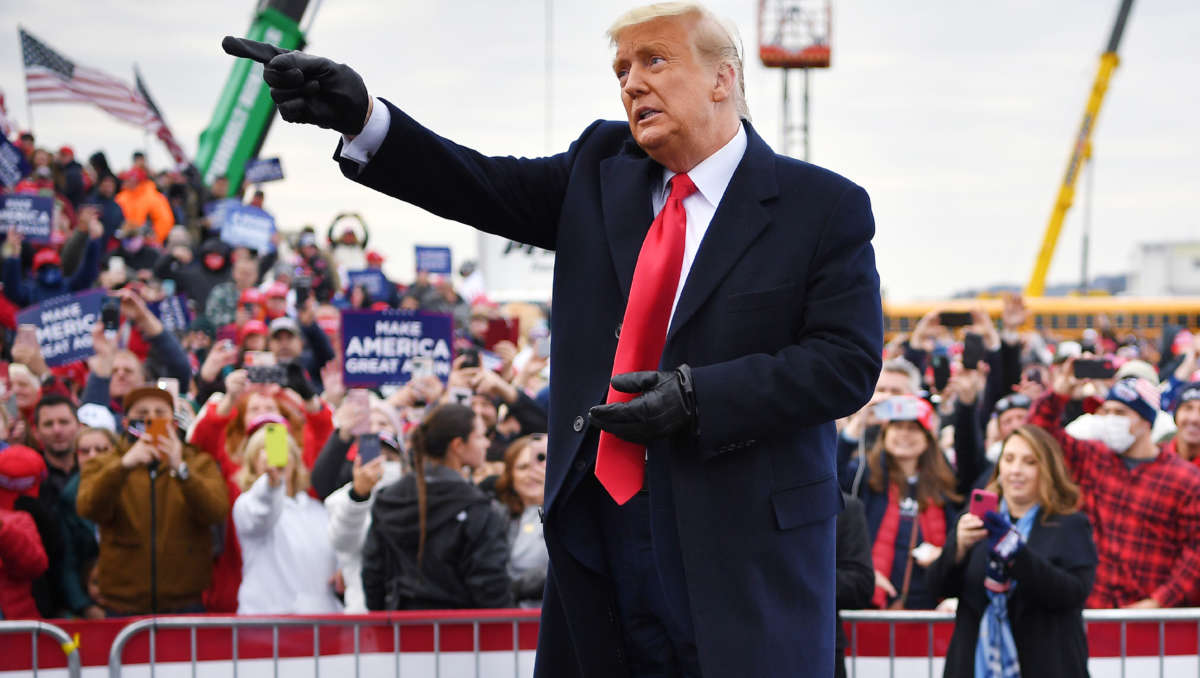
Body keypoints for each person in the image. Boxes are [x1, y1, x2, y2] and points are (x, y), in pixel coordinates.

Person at [224, 1, 882, 674]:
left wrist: (697, 398)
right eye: (622, 69)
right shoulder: (600, 169)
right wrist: (362, 118)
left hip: (741, 553)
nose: (631, 83)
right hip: (603, 539)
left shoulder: (821, 207)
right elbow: (474, 182)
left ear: (722, 78)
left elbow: (845, 363)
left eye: (654, 60)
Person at [927, 425, 1097, 677]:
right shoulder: (976, 521)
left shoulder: (1070, 524)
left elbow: (1073, 593)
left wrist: (1015, 552)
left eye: (1029, 462)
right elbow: (937, 588)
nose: (1016, 470)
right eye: (1009, 459)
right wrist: (958, 548)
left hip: (1047, 664)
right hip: (975, 663)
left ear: (1047, 470)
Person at [1030, 364, 1200, 608]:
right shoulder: (1093, 459)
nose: (1110, 420)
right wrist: (1058, 394)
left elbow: (1195, 552)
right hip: (1093, 611)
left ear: (1146, 421)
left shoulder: (1185, 479)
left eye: (1120, 413)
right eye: (1106, 411)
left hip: (1151, 623)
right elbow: (1038, 437)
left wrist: (1157, 602)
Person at [76, 386, 228, 614]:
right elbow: (89, 508)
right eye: (142, 413)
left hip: (184, 601)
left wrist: (182, 470)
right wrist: (124, 466)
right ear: (126, 423)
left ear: (173, 423)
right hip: (123, 602)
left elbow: (216, 511)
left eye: (160, 413)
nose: (150, 418)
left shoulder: (198, 462)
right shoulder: (105, 462)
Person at [361, 404, 512, 610]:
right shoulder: (477, 507)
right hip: (463, 633)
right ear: (458, 445)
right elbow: (489, 585)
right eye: (481, 436)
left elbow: (373, 574)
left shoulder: (389, 497)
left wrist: (382, 628)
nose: (487, 443)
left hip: (400, 632)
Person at [841, 394, 961, 610]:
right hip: (874, 604)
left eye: (913, 428)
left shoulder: (944, 484)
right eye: (898, 427)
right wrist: (857, 425)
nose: (904, 434)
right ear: (885, 434)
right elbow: (832, 474)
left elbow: (958, 538)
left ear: (927, 438)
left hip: (930, 605)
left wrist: (943, 555)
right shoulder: (864, 475)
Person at [232, 425, 342, 614]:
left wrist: (343, 571)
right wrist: (272, 484)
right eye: (264, 449)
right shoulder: (248, 505)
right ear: (253, 462)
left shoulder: (318, 510)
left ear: (295, 459)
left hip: (321, 623)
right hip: (269, 626)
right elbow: (263, 511)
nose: (276, 457)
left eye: (283, 449)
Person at [493, 434, 549, 606]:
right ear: (511, 476)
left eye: (540, 464)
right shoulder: (497, 515)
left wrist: (516, 588)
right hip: (511, 617)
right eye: (523, 467)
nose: (531, 474)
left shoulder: (573, 514)